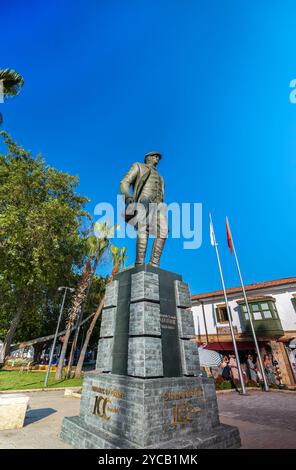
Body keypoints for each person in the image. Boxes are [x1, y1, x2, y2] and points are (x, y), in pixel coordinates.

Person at [120, 151, 168, 267]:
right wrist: (128, 196)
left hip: (158, 206)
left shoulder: (161, 177)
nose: (157, 158)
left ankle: (154, 264)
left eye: (158, 157)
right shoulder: (139, 166)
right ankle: (140, 263)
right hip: (144, 200)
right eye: (155, 156)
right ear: (148, 158)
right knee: (143, 229)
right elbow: (124, 182)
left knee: (164, 230)